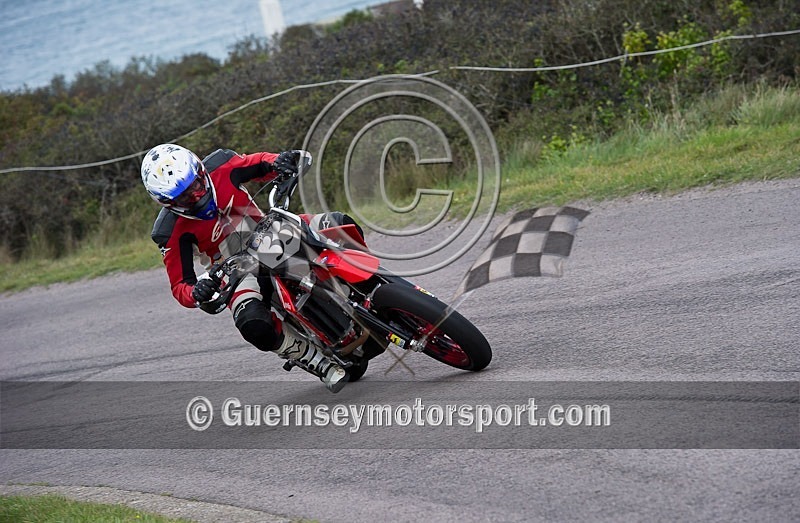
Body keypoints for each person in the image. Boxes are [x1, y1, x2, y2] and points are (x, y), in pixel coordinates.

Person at [141, 143, 358, 392]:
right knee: (251, 322)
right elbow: (180, 285)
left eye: (196, 186)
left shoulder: (221, 164)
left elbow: (262, 162)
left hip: (272, 229)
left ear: (201, 172)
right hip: (235, 269)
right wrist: (198, 291)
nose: (197, 197)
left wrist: (281, 161)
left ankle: (370, 282)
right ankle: (313, 360)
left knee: (339, 224)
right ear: (166, 203)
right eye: (184, 197)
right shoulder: (167, 232)